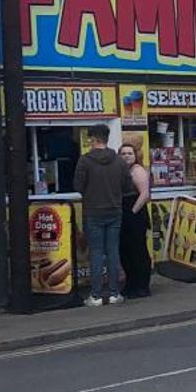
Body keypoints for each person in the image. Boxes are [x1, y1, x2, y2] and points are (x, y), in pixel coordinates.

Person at [73, 123, 130, 306]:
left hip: (92, 212)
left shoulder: (85, 160)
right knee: (113, 252)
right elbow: (127, 187)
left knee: (96, 253)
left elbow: (78, 186)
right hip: (115, 210)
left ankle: (96, 296)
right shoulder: (119, 160)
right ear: (106, 138)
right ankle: (114, 294)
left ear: (94, 139)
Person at [117, 141, 152, 298]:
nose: (126, 156)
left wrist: (132, 212)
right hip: (123, 213)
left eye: (129, 153)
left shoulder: (137, 170)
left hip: (135, 212)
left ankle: (142, 286)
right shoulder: (120, 170)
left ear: (135, 155)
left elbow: (144, 194)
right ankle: (130, 284)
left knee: (138, 250)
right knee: (125, 250)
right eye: (123, 153)